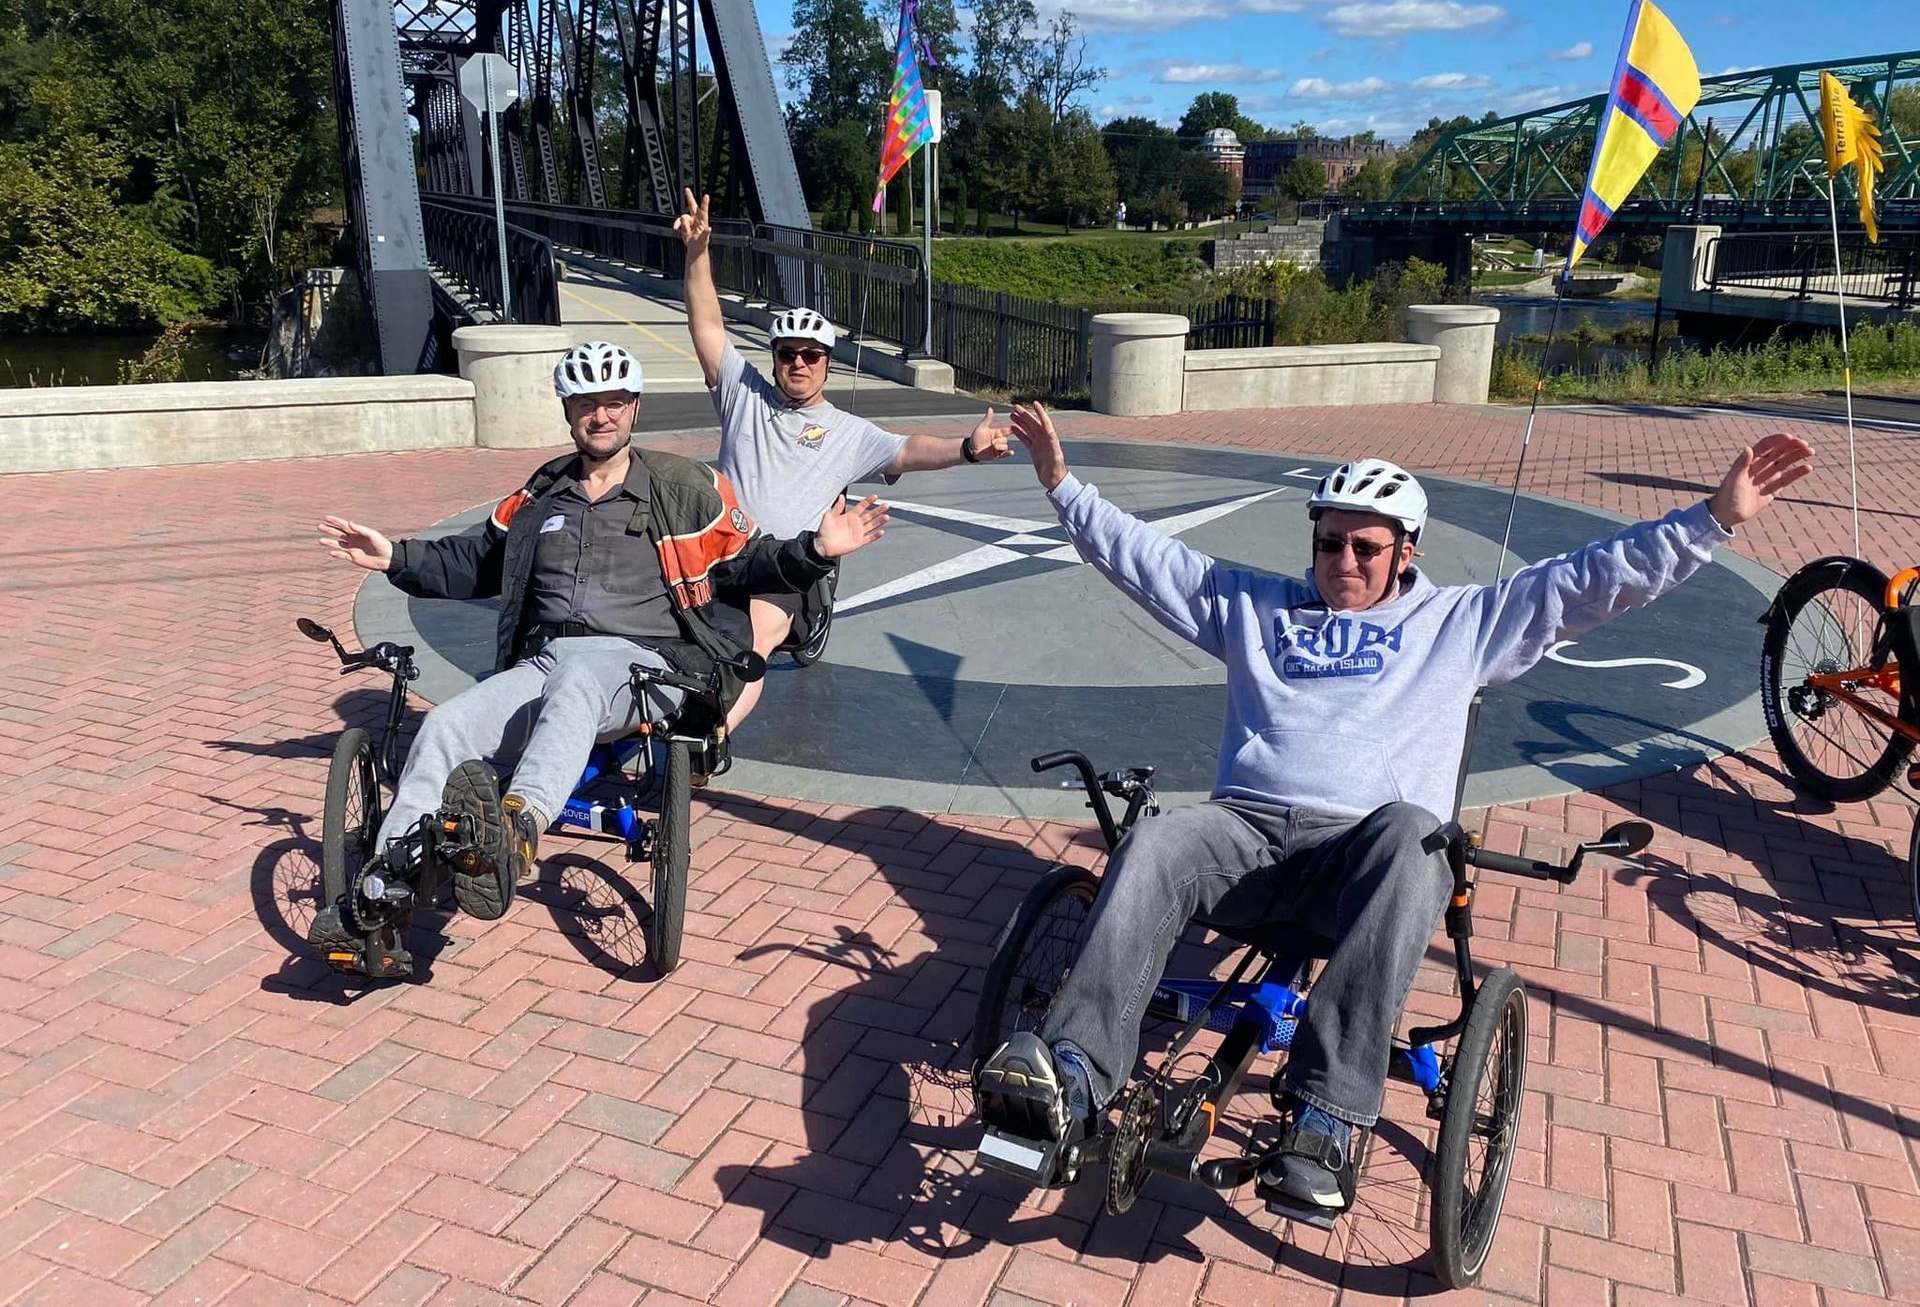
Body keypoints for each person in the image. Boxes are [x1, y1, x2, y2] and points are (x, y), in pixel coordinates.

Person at [978, 402, 1813, 1212]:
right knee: (1154, 841)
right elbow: (1148, 559)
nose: (1344, 561)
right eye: (1330, 543)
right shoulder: (1255, 607)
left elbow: (1587, 584)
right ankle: (1076, 1078)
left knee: (1420, 833)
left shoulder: (1462, 623)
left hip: (1363, 863)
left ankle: (1325, 1122)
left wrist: (1710, 521)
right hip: (1247, 836)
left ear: (1406, 551)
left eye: (1366, 548)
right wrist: (1061, 484)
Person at [311, 342, 888, 959]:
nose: (602, 415)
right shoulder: (541, 494)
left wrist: (816, 551)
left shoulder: (687, 487)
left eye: (614, 401)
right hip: (548, 662)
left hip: (652, 665)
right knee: (448, 725)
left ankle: (514, 831)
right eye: (588, 402)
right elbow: (477, 558)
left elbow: (749, 562)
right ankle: (383, 890)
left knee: (582, 674)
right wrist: (395, 557)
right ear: (568, 409)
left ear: (635, 406)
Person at [673, 189, 1012, 726]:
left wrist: (967, 450)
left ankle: (699, 751)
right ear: (776, 358)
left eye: (811, 356)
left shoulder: (845, 431)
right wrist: (698, 251)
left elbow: (907, 449)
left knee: (753, 641)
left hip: (790, 568)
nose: (799, 364)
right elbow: (708, 326)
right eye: (788, 355)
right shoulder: (744, 395)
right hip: (725, 554)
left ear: (827, 363)